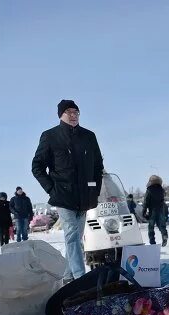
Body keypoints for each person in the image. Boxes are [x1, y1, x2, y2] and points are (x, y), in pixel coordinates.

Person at [32, 99, 103, 282]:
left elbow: (97, 165)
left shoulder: (89, 136)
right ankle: (81, 279)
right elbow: (37, 167)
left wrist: (95, 190)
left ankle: (67, 278)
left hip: (85, 196)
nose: (73, 116)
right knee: (71, 234)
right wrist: (51, 189)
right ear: (61, 115)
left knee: (76, 239)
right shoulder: (50, 136)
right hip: (63, 195)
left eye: (76, 112)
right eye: (69, 112)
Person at [143, 175, 168, 246]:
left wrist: (144, 211)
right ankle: (164, 235)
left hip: (152, 210)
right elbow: (162, 201)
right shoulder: (161, 190)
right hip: (161, 210)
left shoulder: (149, 190)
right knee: (162, 225)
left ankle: (152, 242)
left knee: (151, 227)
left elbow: (146, 201)